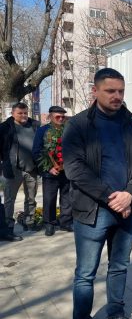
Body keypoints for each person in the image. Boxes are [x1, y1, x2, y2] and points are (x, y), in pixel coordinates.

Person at [62, 68, 132, 319]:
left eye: (121, 91)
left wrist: (130, 194)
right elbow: (74, 169)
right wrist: (112, 198)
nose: (117, 96)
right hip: (92, 211)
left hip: (126, 210)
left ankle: (115, 316)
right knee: (85, 274)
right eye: (110, 91)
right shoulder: (78, 125)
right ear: (95, 91)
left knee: (119, 266)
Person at [0, 102, 39, 240]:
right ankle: (8, 228)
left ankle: (29, 222)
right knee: (10, 200)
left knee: (31, 198)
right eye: (20, 113)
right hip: (12, 169)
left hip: (31, 168)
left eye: (25, 113)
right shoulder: (4, 128)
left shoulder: (35, 125)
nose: (23, 116)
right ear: (13, 113)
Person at [32, 106, 73, 236]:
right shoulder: (42, 131)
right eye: (57, 117)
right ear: (50, 116)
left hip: (66, 171)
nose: (61, 119)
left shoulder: (68, 130)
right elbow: (37, 151)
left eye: (63, 117)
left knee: (67, 198)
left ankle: (65, 222)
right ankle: (49, 223)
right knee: (49, 199)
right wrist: (48, 168)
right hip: (50, 172)